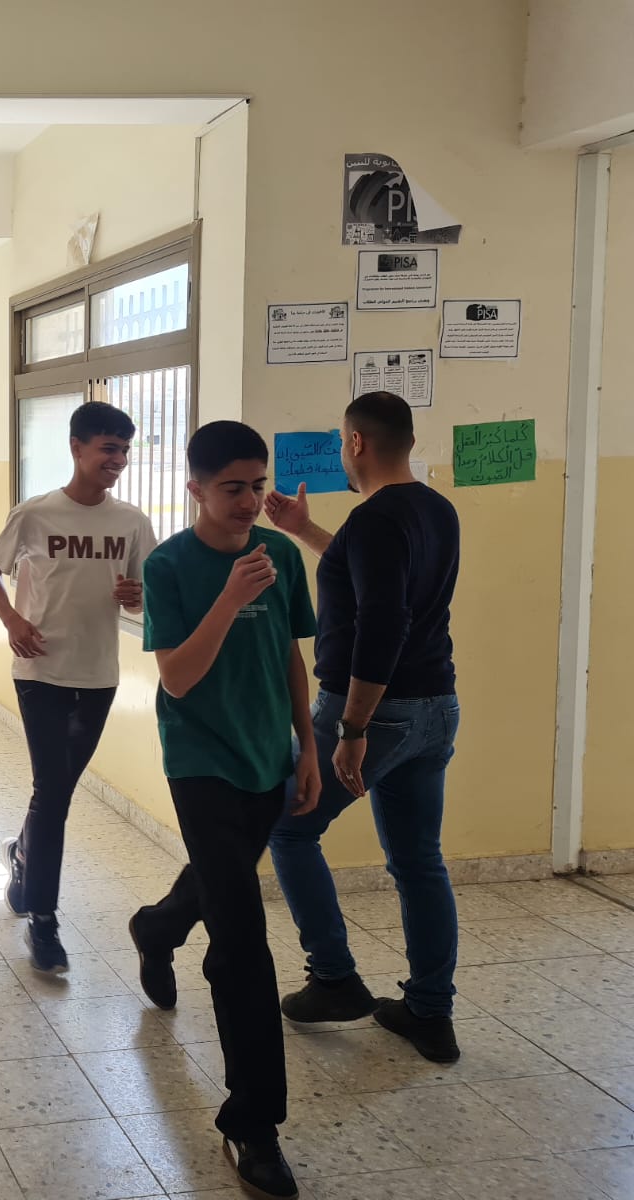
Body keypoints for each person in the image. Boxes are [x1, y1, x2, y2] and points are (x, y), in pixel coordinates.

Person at [128, 421, 321, 1200]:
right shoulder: (170, 565)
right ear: (196, 489)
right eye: (232, 487)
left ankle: (157, 927)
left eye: (257, 485)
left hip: (266, 758)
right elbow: (177, 676)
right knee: (242, 938)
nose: (249, 501)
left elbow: (290, 656)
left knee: (220, 881)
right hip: (200, 762)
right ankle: (253, 1125)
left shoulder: (281, 554)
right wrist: (231, 596)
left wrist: (307, 746)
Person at [264, 391, 463, 1063]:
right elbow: (374, 581)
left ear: (356, 443)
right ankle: (430, 1012)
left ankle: (333, 978)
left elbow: (384, 622)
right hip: (436, 707)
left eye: (342, 443)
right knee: (418, 860)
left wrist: (353, 728)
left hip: (378, 711)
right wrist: (305, 530)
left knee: (290, 827)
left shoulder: (376, 518)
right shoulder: (435, 508)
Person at [0, 401, 156, 973]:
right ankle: (44, 919)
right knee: (53, 793)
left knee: (55, 792)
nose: (118, 460)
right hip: (40, 672)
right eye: (108, 449)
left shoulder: (132, 522)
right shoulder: (35, 514)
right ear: (77, 448)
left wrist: (137, 597)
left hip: (99, 674)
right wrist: (12, 620)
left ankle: (22, 855)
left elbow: (145, 595)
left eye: (124, 450)